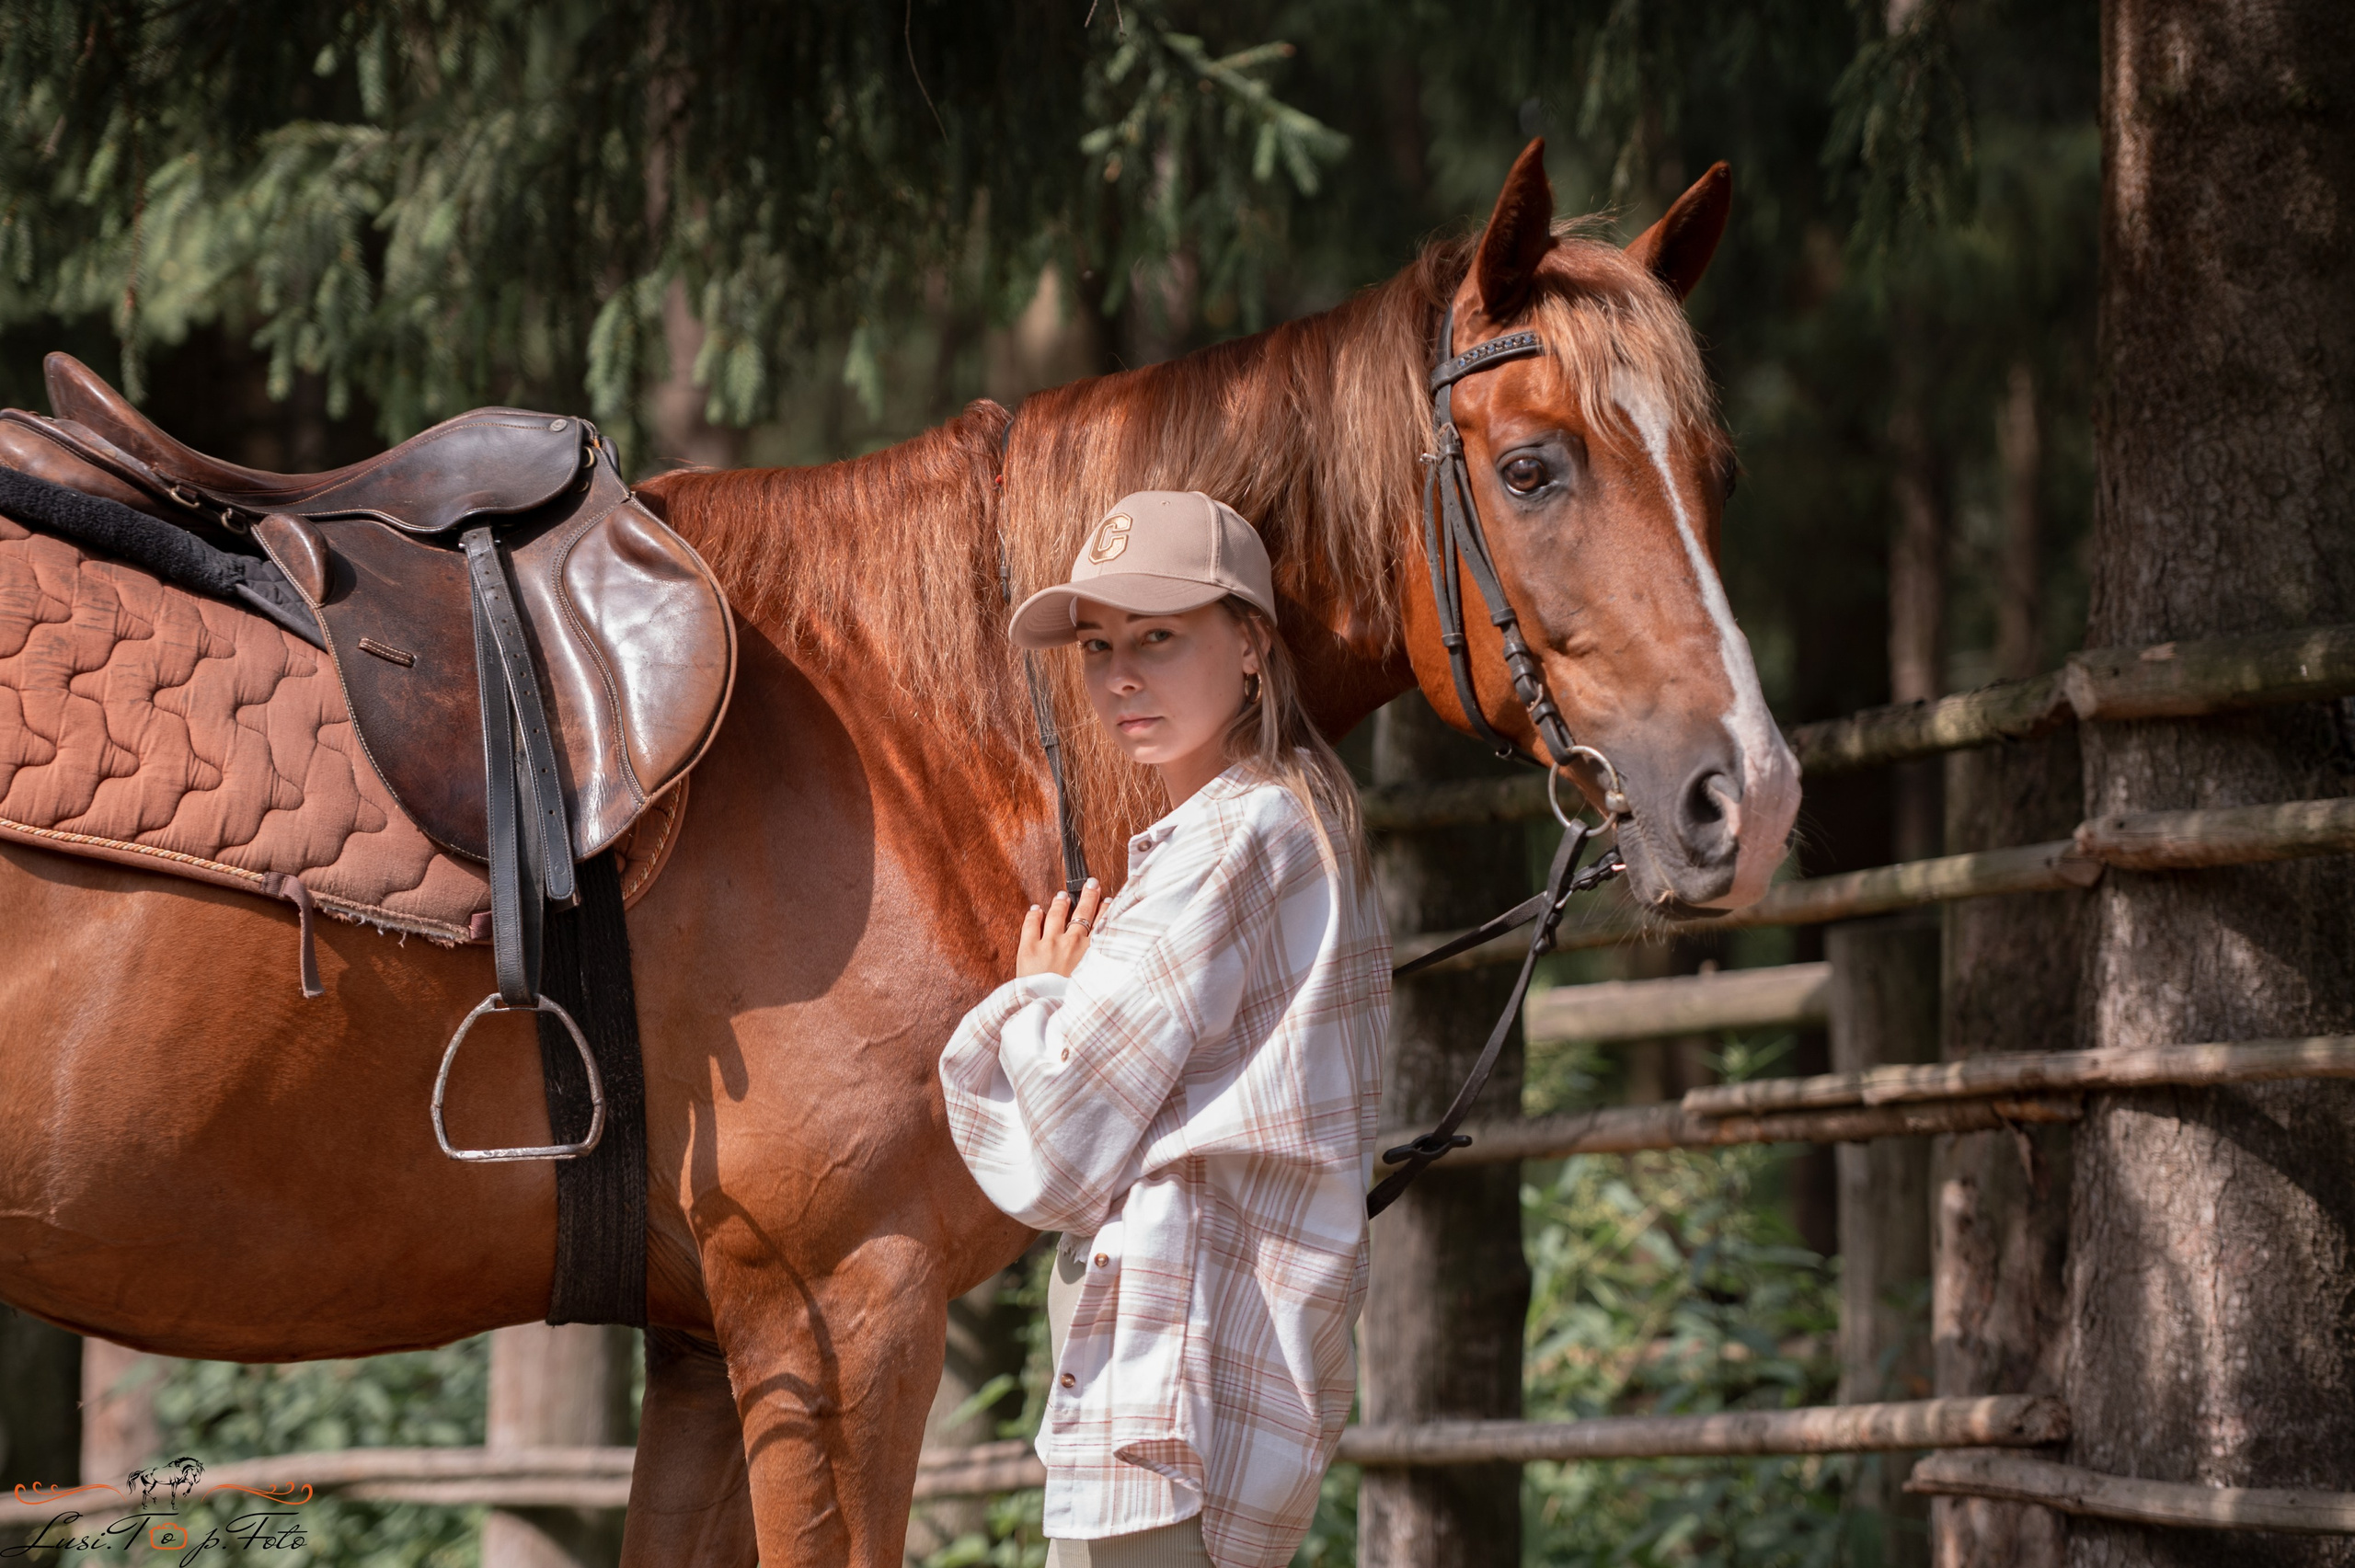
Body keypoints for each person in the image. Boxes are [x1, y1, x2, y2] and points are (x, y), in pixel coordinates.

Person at [939, 490, 1389, 1568]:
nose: (1118, 677)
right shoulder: (1297, 819)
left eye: (1156, 638)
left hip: (1169, 1382)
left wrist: (1038, 994)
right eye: (1097, 646)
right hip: (1211, 1378)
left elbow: (1050, 1151)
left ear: (1249, 646)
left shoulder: (1227, 844)